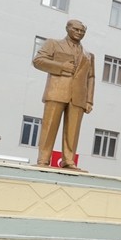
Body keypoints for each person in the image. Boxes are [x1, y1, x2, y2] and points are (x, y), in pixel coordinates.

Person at [33, 19, 95, 170]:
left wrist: (89, 101)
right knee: (49, 127)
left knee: (73, 131)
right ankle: (43, 159)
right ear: (67, 28)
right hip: (57, 91)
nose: (79, 33)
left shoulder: (89, 55)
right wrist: (61, 66)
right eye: (76, 29)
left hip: (78, 97)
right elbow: (38, 61)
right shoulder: (53, 44)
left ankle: (69, 160)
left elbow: (91, 77)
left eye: (82, 31)